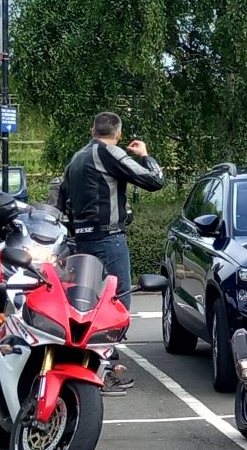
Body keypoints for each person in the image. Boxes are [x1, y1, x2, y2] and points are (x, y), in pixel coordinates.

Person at [57, 112, 166, 390]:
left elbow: (61, 199)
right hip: (108, 238)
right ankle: (107, 365)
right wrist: (145, 156)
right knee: (116, 303)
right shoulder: (109, 153)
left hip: (79, 240)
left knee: (83, 301)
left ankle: (82, 361)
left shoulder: (77, 158)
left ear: (92, 129)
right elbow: (154, 181)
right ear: (117, 134)